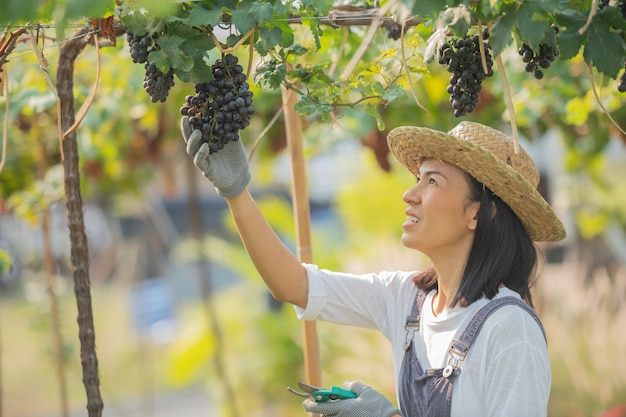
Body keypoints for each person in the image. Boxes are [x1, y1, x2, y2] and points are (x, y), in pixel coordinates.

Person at [180, 118, 566, 417]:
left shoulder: (509, 329)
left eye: (432, 181)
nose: (409, 193)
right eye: (417, 178)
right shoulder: (407, 299)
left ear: (479, 214)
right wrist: (236, 192)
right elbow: (294, 285)